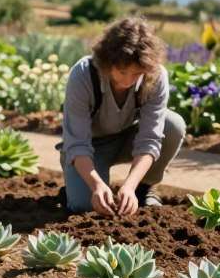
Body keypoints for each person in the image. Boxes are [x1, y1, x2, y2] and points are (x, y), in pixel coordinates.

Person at [60, 17, 185, 216]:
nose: (127, 81)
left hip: (129, 138)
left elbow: (149, 140)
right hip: (92, 146)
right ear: (107, 62)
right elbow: (77, 143)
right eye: (122, 71)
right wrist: (96, 186)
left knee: (173, 125)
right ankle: (78, 187)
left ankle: (144, 189)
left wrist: (130, 187)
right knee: (85, 206)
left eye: (136, 74)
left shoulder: (155, 76)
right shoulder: (83, 74)